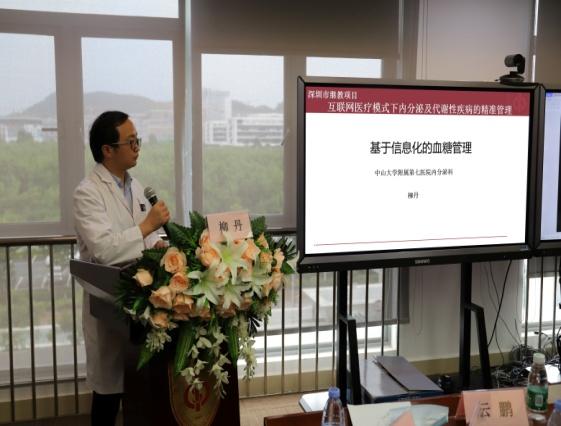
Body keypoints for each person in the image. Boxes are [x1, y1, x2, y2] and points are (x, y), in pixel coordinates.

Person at [73, 111, 170, 426]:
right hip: (109, 303)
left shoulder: (136, 186)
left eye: (137, 140)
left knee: (142, 390)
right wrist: (147, 227)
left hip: (143, 301)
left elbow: (149, 236)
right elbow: (104, 250)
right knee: (108, 397)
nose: (137, 147)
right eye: (131, 142)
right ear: (107, 150)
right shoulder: (88, 192)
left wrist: (158, 244)